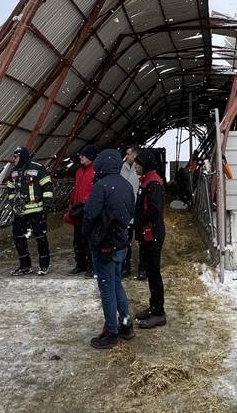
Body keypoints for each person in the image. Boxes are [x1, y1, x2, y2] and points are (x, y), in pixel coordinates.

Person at [82, 148, 136, 349]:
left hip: (104, 243)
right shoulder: (126, 184)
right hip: (121, 240)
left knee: (107, 289)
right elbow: (131, 210)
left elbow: (90, 213)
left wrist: (88, 234)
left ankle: (111, 332)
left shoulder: (101, 186)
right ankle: (126, 325)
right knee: (116, 283)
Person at [132, 150, 167, 329]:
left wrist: (140, 221)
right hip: (146, 233)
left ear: (146, 164)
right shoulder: (146, 180)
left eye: (138, 163)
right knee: (151, 273)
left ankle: (159, 312)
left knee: (154, 274)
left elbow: (154, 209)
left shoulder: (152, 182)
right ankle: (154, 306)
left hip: (152, 234)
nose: (135, 166)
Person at [5, 147, 53, 276]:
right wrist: (13, 202)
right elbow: (10, 189)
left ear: (22, 157)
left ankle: (44, 265)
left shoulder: (37, 168)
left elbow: (47, 185)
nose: (13, 160)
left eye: (15, 157)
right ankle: (25, 266)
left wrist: (47, 202)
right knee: (19, 239)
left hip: (37, 210)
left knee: (40, 238)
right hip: (20, 212)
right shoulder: (14, 172)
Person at [64, 144, 97, 276]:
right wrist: (71, 204)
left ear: (90, 157)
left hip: (88, 209)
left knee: (89, 238)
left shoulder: (95, 171)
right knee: (78, 239)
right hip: (77, 209)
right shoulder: (79, 171)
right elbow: (76, 189)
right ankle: (80, 264)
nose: (80, 157)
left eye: (83, 155)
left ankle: (91, 266)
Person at [119, 144, 144, 279]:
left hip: (138, 211)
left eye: (128, 154)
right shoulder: (121, 168)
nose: (126, 156)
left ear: (135, 155)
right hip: (125, 211)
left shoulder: (141, 169)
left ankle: (142, 269)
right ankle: (125, 267)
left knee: (142, 241)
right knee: (124, 241)